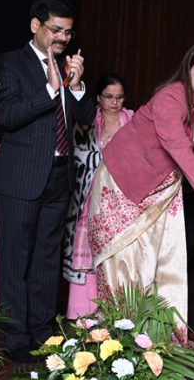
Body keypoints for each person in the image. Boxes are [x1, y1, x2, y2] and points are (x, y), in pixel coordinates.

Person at [86, 42, 194, 330]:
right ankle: (119, 335)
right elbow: (179, 150)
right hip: (124, 183)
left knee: (161, 261)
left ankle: (157, 338)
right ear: (188, 69)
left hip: (162, 189)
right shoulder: (169, 98)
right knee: (125, 261)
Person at [0, 0, 96, 362]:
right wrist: (51, 89)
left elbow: (82, 118)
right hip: (20, 179)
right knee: (15, 261)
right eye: (56, 29)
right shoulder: (9, 64)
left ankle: (42, 330)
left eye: (68, 31)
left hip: (58, 176)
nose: (63, 38)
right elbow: (8, 115)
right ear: (35, 26)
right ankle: (16, 335)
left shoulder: (68, 66)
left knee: (47, 260)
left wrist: (77, 85)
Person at [62, 73, 133, 319]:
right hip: (88, 197)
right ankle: (83, 312)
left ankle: (115, 313)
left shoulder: (132, 121)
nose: (115, 102)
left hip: (122, 199)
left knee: (117, 255)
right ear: (98, 98)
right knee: (88, 253)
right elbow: (76, 157)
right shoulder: (86, 120)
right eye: (109, 97)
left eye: (119, 97)